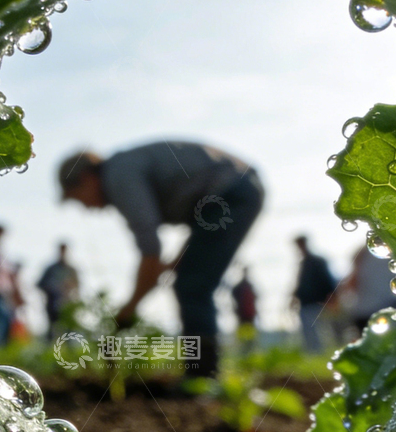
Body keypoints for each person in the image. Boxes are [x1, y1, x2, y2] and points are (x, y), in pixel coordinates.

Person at [58, 141, 264, 377]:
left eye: (77, 198)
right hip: (228, 193)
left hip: (232, 193)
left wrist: (127, 312)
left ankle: (203, 377)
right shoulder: (122, 169)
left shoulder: (119, 177)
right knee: (189, 279)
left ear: (86, 178)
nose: (85, 207)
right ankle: (202, 374)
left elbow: (150, 252)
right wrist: (172, 264)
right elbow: (167, 251)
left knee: (193, 286)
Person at [292, 235, 336, 353]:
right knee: (308, 330)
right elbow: (300, 285)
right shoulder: (303, 263)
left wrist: (331, 298)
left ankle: (319, 353)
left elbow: (327, 280)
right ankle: (313, 353)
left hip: (316, 302)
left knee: (317, 330)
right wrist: (294, 297)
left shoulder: (317, 262)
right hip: (305, 302)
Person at [338, 246, 396, 334]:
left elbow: (351, 283)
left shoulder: (364, 252)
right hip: (375, 309)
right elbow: (352, 281)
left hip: (369, 310)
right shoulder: (365, 252)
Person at [37, 243, 80, 339]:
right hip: (52, 303)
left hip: (68, 304)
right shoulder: (51, 269)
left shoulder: (71, 270)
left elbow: (77, 286)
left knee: (69, 329)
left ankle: (70, 347)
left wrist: (69, 287)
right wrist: (53, 288)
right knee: (52, 329)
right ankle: (49, 346)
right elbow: (40, 284)